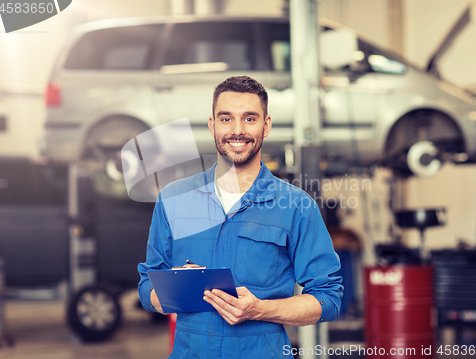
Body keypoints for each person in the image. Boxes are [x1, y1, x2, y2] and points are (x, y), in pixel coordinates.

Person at [138, 75, 343, 358]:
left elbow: (328, 298)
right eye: (226, 119)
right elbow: (147, 286)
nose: (237, 131)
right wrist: (177, 289)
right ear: (212, 125)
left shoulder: (296, 206)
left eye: (249, 119)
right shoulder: (173, 199)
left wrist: (262, 309)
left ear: (266, 125)